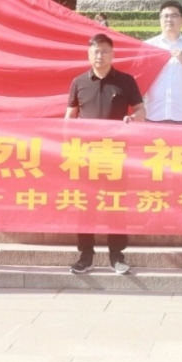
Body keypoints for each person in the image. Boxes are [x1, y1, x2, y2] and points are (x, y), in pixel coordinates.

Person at [65, 34, 145, 275]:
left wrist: (132, 118)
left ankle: (116, 256)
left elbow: (141, 110)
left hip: (116, 153)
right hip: (86, 154)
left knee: (115, 203)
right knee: (85, 204)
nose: (99, 56)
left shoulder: (126, 81)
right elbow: (70, 116)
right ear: (89, 55)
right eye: (95, 52)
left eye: (104, 51)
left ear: (112, 54)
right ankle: (86, 255)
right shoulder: (78, 82)